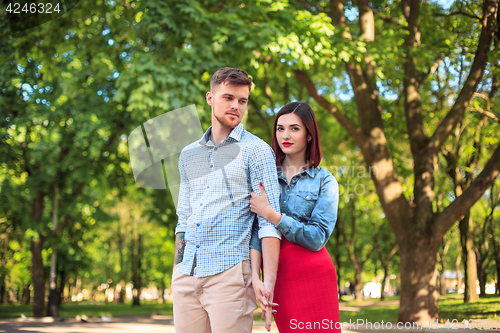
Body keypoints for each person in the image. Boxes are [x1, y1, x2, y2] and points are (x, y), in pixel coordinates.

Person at [172, 67, 281, 333]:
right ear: (210, 98)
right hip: (188, 274)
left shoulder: (257, 151)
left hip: (230, 274)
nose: (236, 106)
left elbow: (268, 221)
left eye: (242, 101)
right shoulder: (188, 155)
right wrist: (177, 271)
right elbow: (184, 218)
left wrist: (269, 282)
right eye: (228, 98)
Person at [249, 102, 341, 332]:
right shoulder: (264, 176)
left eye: (294, 128)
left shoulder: (325, 180)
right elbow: (255, 232)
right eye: (280, 129)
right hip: (279, 273)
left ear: (309, 134)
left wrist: (273, 215)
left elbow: (318, 237)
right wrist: (255, 275)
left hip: (316, 273)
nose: (285, 135)